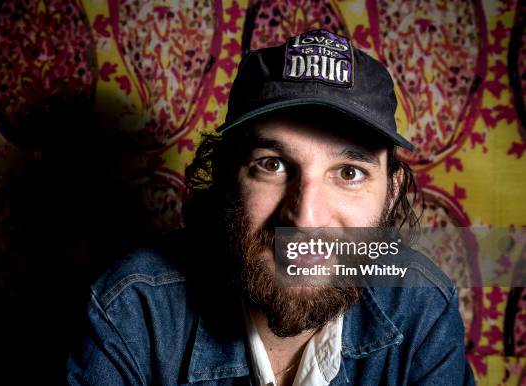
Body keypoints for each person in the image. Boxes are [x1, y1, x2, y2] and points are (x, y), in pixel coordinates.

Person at [66, 29, 474, 385]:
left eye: (349, 172)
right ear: (226, 175)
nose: (305, 218)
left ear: (391, 192)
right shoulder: (133, 311)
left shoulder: (422, 309)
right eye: (272, 165)